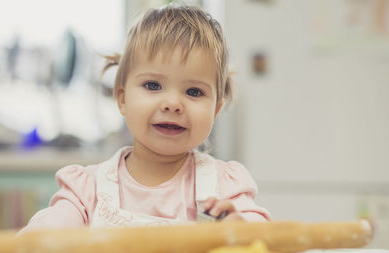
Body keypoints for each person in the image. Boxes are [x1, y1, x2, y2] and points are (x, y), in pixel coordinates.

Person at [21, 4, 270, 232]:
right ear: (122, 98)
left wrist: (240, 228)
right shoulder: (87, 189)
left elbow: (262, 236)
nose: (173, 104)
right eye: (153, 85)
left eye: (194, 91)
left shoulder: (225, 185)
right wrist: (44, 233)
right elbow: (48, 231)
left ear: (215, 110)